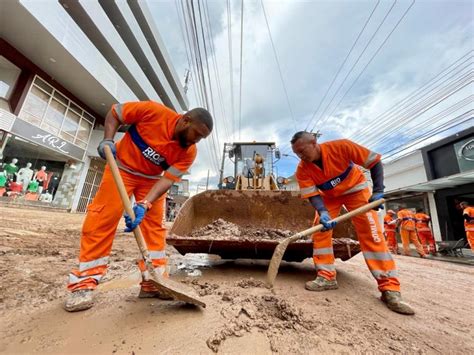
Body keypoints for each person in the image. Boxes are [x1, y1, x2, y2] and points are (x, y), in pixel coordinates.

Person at [64, 101, 213, 312]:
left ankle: (152, 283)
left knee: (154, 228)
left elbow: (167, 180)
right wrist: (108, 139)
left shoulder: (188, 152)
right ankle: (83, 285)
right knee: (102, 220)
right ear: (185, 120)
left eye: (201, 138)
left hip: (152, 181)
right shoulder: (153, 112)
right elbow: (114, 112)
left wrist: (145, 203)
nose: (196, 141)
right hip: (121, 170)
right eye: (196, 134)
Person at [291, 131, 414, 315]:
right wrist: (323, 212)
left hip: (356, 189)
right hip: (329, 198)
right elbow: (313, 195)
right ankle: (326, 276)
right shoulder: (303, 170)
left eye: (302, 150)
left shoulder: (342, 147)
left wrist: (378, 189)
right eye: (296, 153)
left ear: (314, 142)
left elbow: (373, 162)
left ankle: (390, 288)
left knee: (371, 233)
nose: (300, 156)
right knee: (320, 230)